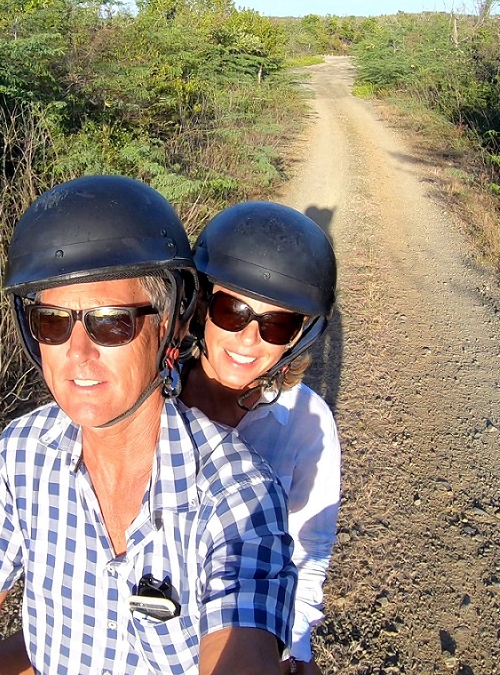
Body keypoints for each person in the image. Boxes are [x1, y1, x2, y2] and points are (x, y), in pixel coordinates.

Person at [0, 175, 296, 675]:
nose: (78, 354)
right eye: (52, 322)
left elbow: (241, 645)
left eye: (111, 322)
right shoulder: (23, 453)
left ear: (168, 323)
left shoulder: (236, 493)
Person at [179, 201, 340, 675]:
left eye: (276, 324)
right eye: (233, 311)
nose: (249, 339)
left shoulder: (306, 423)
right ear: (202, 307)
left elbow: (308, 549)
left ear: (297, 336)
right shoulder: (155, 398)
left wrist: (293, 648)